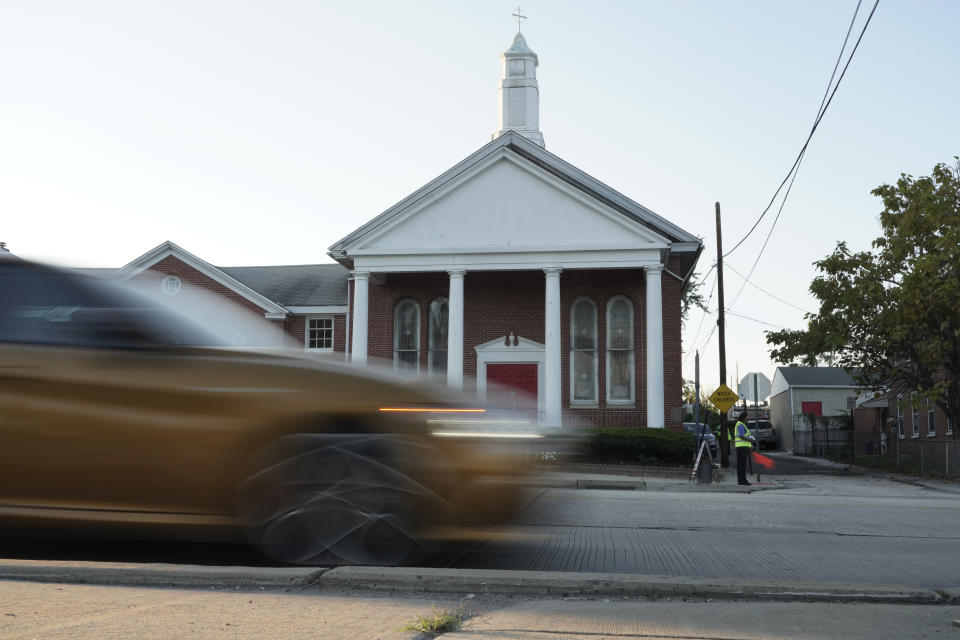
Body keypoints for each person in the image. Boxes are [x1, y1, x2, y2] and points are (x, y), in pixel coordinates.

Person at [733, 411, 756, 485]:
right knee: (742, 465)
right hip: (741, 447)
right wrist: (750, 441)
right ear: (743, 418)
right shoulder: (740, 425)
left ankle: (742, 480)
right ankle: (742, 481)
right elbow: (741, 436)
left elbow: (744, 436)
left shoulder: (741, 424)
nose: (747, 419)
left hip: (741, 447)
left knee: (741, 464)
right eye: (746, 417)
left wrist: (749, 444)